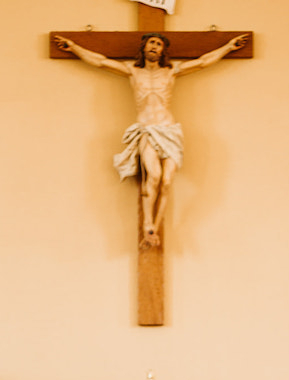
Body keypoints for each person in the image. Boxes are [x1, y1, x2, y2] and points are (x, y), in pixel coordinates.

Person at [53, 31, 249, 247]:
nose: (154, 46)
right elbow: (100, 61)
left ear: (163, 50)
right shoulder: (132, 71)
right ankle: (148, 225)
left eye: (158, 44)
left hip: (169, 131)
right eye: (151, 43)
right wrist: (73, 46)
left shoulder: (171, 71)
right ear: (144, 48)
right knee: (153, 176)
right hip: (147, 130)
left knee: (166, 181)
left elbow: (203, 62)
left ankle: (155, 226)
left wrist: (229, 47)